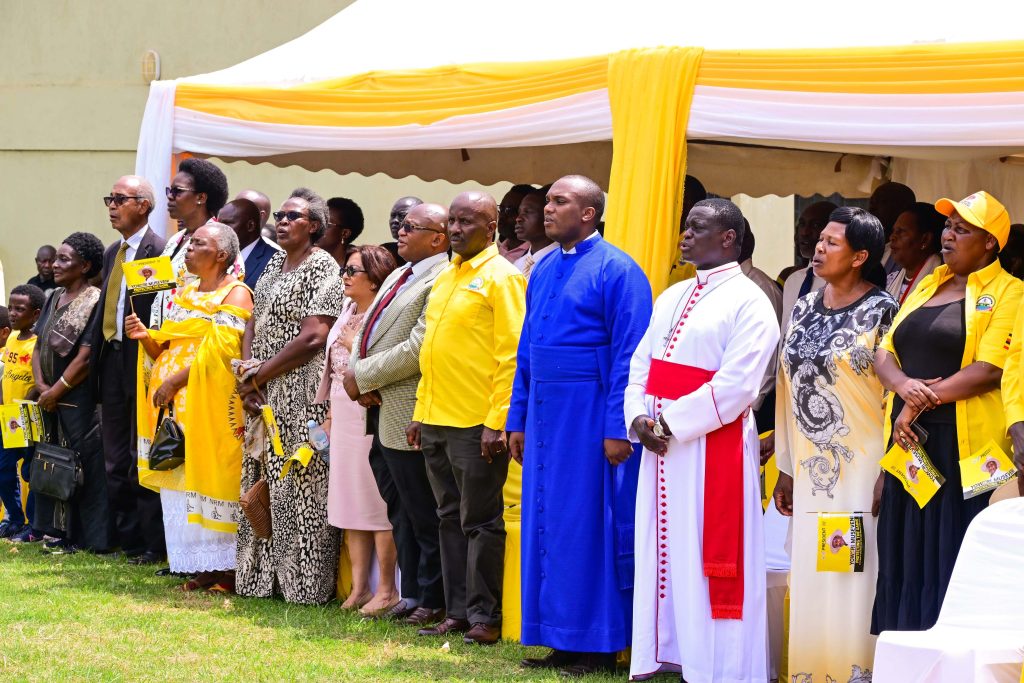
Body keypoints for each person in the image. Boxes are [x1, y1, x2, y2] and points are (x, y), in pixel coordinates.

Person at [625, 198, 778, 683]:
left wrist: (668, 424)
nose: (684, 236)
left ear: (728, 238)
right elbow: (641, 365)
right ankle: (666, 652)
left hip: (712, 448)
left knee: (710, 560)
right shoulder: (670, 295)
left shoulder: (751, 301)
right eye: (684, 227)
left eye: (696, 228)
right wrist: (636, 419)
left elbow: (737, 386)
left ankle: (720, 665)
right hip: (660, 448)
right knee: (664, 549)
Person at [507, 175, 652, 675]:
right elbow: (527, 350)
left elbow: (631, 357)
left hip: (590, 414)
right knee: (546, 523)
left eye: (559, 201)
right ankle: (557, 637)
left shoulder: (619, 270)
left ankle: (596, 642)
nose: (547, 209)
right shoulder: (543, 267)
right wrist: (517, 416)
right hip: (546, 414)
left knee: (586, 525)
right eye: (547, 202)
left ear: (588, 213)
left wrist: (619, 426)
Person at [872, 191, 1022, 634]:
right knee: (905, 551)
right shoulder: (928, 281)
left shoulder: (1009, 292)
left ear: (991, 243)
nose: (948, 235)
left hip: (965, 450)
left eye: (962, 229)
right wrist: (903, 388)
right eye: (948, 226)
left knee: (952, 551)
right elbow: (885, 351)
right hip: (908, 445)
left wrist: (914, 403)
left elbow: (988, 371)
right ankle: (904, 655)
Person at [772, 207, 897, 681]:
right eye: (819, 239)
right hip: (807, 467)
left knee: (850, 565)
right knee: (810, 568)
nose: (819, 248)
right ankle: (808, 670)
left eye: (832, 243)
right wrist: (785, 466)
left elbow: (892, 396)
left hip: (858, 465)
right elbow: (787, 389)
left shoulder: (882, 310)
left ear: (861, 256)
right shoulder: (802, 305)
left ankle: (852, 671)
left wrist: (887, 466)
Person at [406, 191, 526, 644]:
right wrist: (420, 413)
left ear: (491, 228)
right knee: (448, 517)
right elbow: (432, 352)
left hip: (476, 423)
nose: (457, 229)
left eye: (468, 222)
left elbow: (511, 355)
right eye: (453, 221)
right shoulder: (446, 275)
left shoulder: (502, 278)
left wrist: (498, 420)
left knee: (480, 521)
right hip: (437, 416)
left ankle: (484, 617)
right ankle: (456, 610)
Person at [126, 222, 253, 591]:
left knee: (210, 470)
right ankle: (198, 565)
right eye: (191, 242)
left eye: (199, 243)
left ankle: (225, 568)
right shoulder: (182, 291)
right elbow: (163, 350)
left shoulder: (236, 294)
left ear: (222, 255)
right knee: (178, 474)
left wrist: (174, 380)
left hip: (209, 398)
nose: (190, 249)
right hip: (171, 402)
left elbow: (222, 353)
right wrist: (146, 338)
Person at [341, 203, 450, 626]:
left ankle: (431, 597)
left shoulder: (440, 276)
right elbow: (365, 330)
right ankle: (412, 593)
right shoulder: (404, 273)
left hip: (408, 409)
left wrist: (361, 376)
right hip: (380, 409)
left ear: (437, 239)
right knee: (399, 508)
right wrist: (358, 372)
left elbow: (418, 347)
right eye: (400, 227)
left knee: (422, 510)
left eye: (409, 227)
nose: (399, 232)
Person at [235, 187, 343, 605]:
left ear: (313, 226)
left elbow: (314, 336)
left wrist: (261, 373)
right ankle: (261, 578)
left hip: (303, 392)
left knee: (301, 482)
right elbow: (252, 325)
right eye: (278, 214)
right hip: (264, 390)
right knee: (261, 478)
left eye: (292, 216)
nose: (281, 221)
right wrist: (248, 377)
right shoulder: (273, 265)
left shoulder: (323, 268)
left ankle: (304, 584)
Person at [314, 245, 399, 613]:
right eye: (345, 270)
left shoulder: (385, 315)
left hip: (370, 411)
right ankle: (360, 586)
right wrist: (329, 416)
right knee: (348, 502)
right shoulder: (348, 309)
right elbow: (332, 368)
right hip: (343, 412)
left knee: (375, 503)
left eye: (353, 271)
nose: (345, 277)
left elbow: (385, 363)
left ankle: (388, 590)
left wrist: (354, 346)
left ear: (375, 277)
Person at [93, 175, 168, 565]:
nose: (112, 205)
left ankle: (152, 542)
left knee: (143, 452)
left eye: (120, 199)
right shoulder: (113, 253)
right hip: (111, 358)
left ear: (143, 205)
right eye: (110, 198)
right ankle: (127, 538)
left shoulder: (160, 250)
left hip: (143, 358)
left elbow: (160, 313)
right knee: (114, 454)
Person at [31, 232, 111, 554]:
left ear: (85, 265)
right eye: (57, 258)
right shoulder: (52, 297)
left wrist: (58, 389)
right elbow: (39, 346)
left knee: (84, 469)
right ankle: (57, 533)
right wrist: (41, 387)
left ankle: (90, 539)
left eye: (65, 259)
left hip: (78, 400)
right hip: (48, 398)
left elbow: (86, 356)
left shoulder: (94, 300)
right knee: (53, 464)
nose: (56, 265)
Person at [152, 158, 240, 331]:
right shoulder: (175, 240)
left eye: (177, 191)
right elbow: (160, 293)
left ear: (201, 197)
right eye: (169, 190)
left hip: (193, 344)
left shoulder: (220, 243)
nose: (170, 196)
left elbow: (223, 299)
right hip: (161, 344)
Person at [0, 285, 44, 539]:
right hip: (7, 418)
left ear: (36, 314)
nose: (13, 314)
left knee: (30, 471)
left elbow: (38, 382)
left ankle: (34, 525)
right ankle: (14, 518)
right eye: (11, 307)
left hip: (27, 417)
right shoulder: (12, 339)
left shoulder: (38, 342)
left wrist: (24, 404)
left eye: (20, 309)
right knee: (4, 469)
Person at [781, 201, 837, 329]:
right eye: (802, 224)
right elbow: (785, 330)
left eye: (816, 225)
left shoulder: (838, 283)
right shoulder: (793, 280)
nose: (805, 232)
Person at [885, 202, 944, 306]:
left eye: (901, 231)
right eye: (894, 231)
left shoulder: (940, 285)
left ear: (925, 240)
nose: (892, 237)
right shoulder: (893, 277)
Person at [219, 198, 278, 290]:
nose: (219, 229)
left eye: (227, 224)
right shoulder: (215, 255)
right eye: (218, 224)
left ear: (250, 226)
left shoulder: (275, 260)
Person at [666, 175, 708, 286]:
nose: (682, 204)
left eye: (686, 199)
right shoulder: (661, 235)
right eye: (679, 197)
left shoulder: (701, 245)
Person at [869, 181, 917, 275]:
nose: (872, 207)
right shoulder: (865, 246)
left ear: (901, 208)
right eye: (872, 202)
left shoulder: (909, 257)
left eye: (881, 202)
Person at [511, 185, 556, 281]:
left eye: (527, 212)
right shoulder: (518, 264)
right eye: (519, 212)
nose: (518, 218)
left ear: (548, 215)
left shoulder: (562, 261)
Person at [319, 197, 365, 266]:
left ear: (345, 233)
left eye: (326, 224)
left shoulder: (356, 268)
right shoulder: (308, 261)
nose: (317, 228)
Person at [497, 184, 534, 263]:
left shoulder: (534, 255)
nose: (502, 216)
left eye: (510, 210)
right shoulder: (494, 250)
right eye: (501, 208)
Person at [381, 196, 422, 266]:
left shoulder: (429, 253)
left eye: (402, 216)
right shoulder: (384, 252)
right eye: (393, 216)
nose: (395, 221)